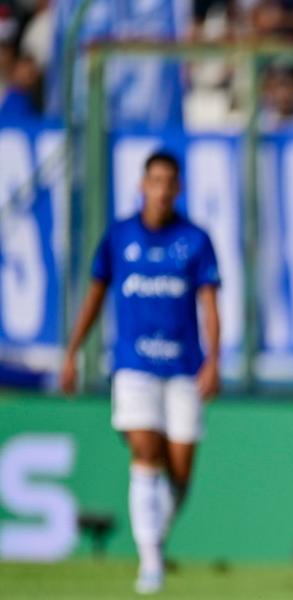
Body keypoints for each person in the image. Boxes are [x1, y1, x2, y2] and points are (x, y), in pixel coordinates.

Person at [61, 151, 221, 595]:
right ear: (141, 184)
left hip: (184, 366)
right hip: (134, 365)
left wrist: (215, 359)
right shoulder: (119, 237)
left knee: (181, 470)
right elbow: (95, 295)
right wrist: (72, 352)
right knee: (146, 452)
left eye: (170, 182)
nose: (162, 189)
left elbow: (209, 304)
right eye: (155, 180)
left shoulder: (195, 240)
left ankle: (155, 538)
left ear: (179, 188)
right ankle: (150, 561)